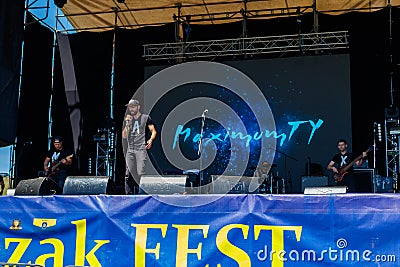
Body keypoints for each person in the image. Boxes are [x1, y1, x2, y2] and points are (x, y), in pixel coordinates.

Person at [122, 99, 157, 195]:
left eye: (133, 106)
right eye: (130, 107)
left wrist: (150, 140)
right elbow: (124, 136)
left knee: (140, 172)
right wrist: (127, 124)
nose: (131, 109)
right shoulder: (128, 119)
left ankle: (142, 194)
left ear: (138, 107)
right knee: (128, 174)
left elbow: (153, 131)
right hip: (131, 149)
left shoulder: (145, 118)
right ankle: (128, 195)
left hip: (141, 148)